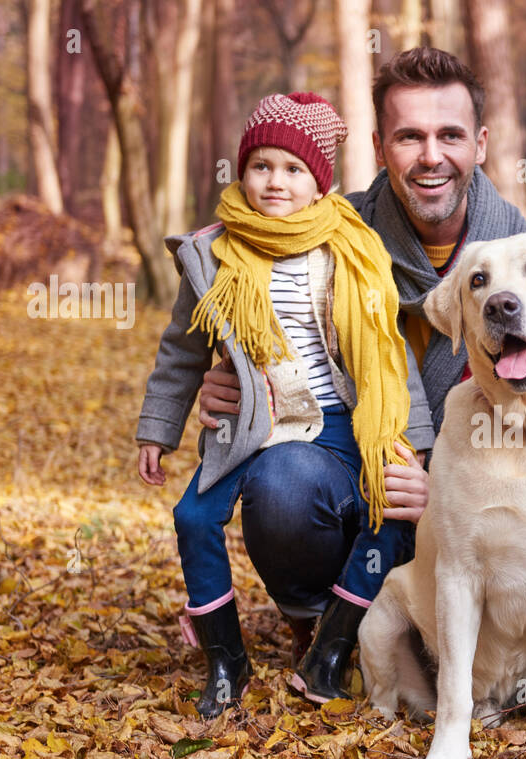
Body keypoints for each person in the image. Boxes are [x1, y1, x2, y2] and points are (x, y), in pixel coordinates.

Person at [195, 49, 526, 701]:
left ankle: (455, 635)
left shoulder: (525, 257)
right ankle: (322, 622)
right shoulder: (321, 236)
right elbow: (257, 320)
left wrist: (441, 481)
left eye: (450, 135)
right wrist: (232, 378)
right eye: (410, 136)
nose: (430, 155)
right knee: (283, 481)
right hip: (353, 482)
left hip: (474, 509)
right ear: (380, 146)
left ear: (482, 144)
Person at [135, 91, 419, 717]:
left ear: (321, 183)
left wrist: (413, 445)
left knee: (389, 510)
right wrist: (159, 428)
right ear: (241, 171)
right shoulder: (213, 253)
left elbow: (386, 351)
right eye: (261, 166)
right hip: (252, 420)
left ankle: (333, 647)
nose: (275, 182)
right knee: (193, 518)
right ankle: (224, 660)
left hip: (340, 418)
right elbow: (182, 350)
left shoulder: (351, 248)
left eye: (294, 170)